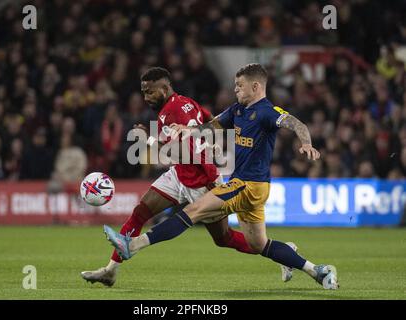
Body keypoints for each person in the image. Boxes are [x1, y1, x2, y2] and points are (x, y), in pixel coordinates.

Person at [104, 64, 339, 290]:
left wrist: (306, 143)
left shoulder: (267, 111)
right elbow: (212, 125)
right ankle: (318, 271)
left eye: (240, 85)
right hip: (248, 187)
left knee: (192, 212)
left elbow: (296, 124)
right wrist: (189, 130)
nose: (235, 89)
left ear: (256, 87)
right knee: (259, 245)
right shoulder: (237, 110)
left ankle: (132, 245)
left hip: (247, 185)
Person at [81, 67, 256, 287]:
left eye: (150, 92)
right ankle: (110, 271)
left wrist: (149, 140)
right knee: (140, 213)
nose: (146, 98)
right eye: (144, 92)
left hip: (202, 183)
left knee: (225, 239)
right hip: (179, 174)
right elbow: (210, 118)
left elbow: (182, 151)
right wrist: (211, 142)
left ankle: (279, 252)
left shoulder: (172, 112)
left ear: (164, 88)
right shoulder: (187, 102)